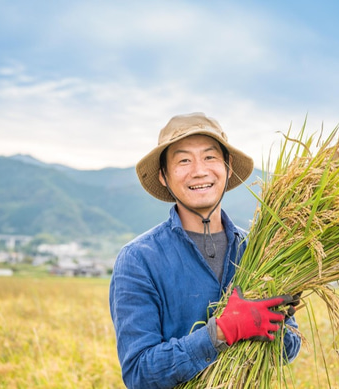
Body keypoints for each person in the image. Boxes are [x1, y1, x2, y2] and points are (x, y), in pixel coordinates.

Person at [109, 112, 301, 388]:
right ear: (163, 175)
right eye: (184, 160)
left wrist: (279, 319)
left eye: (210, 157)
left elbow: (287, 353)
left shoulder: (258, 251)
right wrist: (221, 332)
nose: (199, 170)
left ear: (228, 166)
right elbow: (139, 373)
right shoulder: (139, 259)